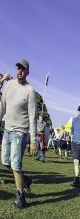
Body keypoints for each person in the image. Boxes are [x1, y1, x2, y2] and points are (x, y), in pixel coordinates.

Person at [0, 59, 36, 209]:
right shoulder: (10, 85)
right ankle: (25, 180)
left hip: (20, 132)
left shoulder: (30, 91)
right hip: (7, 130)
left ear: (27, 72)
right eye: (18, 68)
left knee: (15, 165)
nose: (19, 71)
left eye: (23, 69)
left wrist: (33, 140)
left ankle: (20, 197)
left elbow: (33, 116)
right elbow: (2, 105)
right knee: (5, 162)